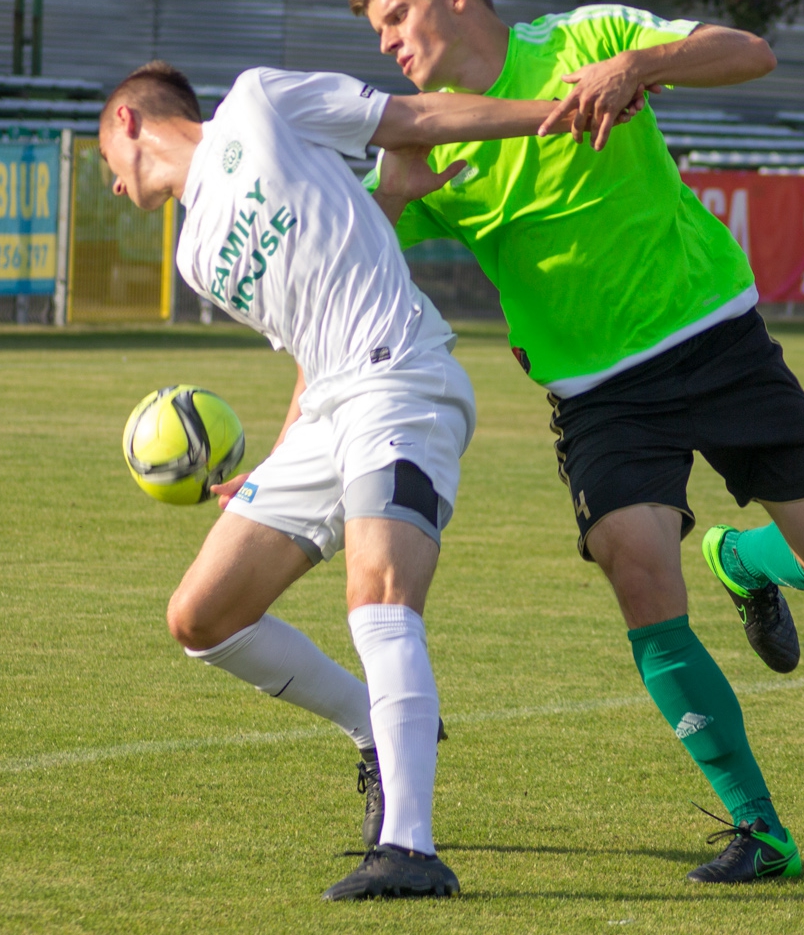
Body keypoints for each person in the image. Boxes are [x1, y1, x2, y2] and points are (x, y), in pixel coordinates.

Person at [349, 0, 804, 884]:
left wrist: (641, 64)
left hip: (719, 343)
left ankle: (738, 556)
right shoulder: (422, 132)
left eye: (396, 17)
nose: (387, 43)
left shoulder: (585, 38)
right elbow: (348, 267)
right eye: (378, 30)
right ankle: (761, 829)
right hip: (600, 399)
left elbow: (750, 50)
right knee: (641, 579)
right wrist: (390, 196)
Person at [99, 60, 594, 901]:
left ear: (130, 119)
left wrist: (561, 112)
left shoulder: (257, 102)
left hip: (400, 378)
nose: (111, 183)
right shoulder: (193, 255)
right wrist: (282, 453)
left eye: (105, 153)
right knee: (200, 617)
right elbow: (310, 333)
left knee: (380, 599)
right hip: (326, 413)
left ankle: (410, 848)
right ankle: (376, 723)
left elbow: (417, 114)